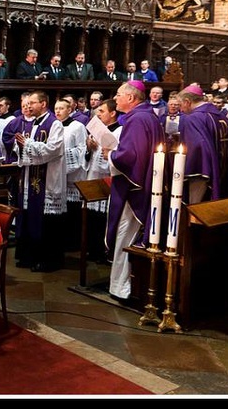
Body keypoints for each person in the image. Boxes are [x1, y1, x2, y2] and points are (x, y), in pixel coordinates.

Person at [102, 80, 165, 300]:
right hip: (146, 184)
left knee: (124, 235)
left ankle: (122, 288)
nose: (116, 98)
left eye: (119, 95)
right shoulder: (148, 117)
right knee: (128, 235)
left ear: (131, 98)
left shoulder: (137, 119)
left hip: (133, 188)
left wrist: (109, 154)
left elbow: (129, 157)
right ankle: (126, 286)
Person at [13, 90, 67, 272]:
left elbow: (53, 150)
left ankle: (48, 260)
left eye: (33, 103)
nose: (29, 106)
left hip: (48, 180)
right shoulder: (29, 124)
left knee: (47, 222)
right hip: (29, 179)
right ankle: (29, 256)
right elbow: (20, 147)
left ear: (43, 104)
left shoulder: (55, 124)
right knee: (28, 215)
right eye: (27, 104)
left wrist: (27, 145)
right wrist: (19, 146)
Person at [177, 84, 228, 202]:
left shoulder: (193, 118)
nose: (181, 110)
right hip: (225, 175)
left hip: (203, 177)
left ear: (187, 101)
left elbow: (197, 151)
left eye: (180, 105)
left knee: (197, 210)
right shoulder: (222, 117)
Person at [84, 99, 122, 261]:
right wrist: (88, 148)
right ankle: (91, 249)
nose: (97, 114)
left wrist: (102, 150)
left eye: (101, 112)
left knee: (102, 219)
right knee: (91, 217)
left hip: (108, 179)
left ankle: (102, 251)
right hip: (93, 177)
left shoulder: (119, 131)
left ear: (112, 114)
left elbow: (116, 157)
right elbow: (87, 158)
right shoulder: (97, 130)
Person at [54, 98, 87, 252]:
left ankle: (73, 243)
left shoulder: (77, 126)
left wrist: (61, 158)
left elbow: (81, 150)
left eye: (61, 108)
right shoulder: (54, 125)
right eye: (56, 108)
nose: (58, 111)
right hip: (56, 176)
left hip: (72, 175)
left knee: (73, 212)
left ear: (69, 110)